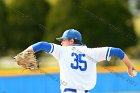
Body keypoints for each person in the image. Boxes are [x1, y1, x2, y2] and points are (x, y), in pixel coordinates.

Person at [22, 29, 136, 93]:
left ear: (71, 40)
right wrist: (129, 66)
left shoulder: (62, 51)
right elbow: (118, 51)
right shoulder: (92, 53)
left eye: (63, 40)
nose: (61, 43)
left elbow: (42, 45)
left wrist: (24, 54)